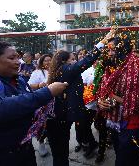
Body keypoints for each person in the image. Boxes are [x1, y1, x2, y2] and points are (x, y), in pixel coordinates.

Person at [0, 42, 68, 166]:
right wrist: (47, 92)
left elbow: (28, 104)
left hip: (24, 150)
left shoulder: (19, 80)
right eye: (11, 58)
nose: (18, 62)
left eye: (17, 57)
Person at [46, 28, 117, 166]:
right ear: (65, 61)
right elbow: (87, 60)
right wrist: (104, 40)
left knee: (61, 152)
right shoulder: (66, 69)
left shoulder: (59, 70)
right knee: (60, 153)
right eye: (72, 59)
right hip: (59, 118)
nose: (75, 62)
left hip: (60, 116)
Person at [97, 35, 139, 166]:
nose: (109, 53)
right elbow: (102, 90)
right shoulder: (111, 66)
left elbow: (138, 103)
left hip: (131, 123)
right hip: (114, 120)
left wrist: (111, 96)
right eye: (108, 50)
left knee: (124, 159)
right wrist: (101, 101)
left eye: (112, 50)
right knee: (129, 155)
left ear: (123, 49)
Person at [28, 54, 52, 157]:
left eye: (50, 60)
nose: (48, 62)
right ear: (41, 62)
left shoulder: (55, 71)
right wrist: (39, 85)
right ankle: (41, 143)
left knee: (51, 124)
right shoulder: (36, 72)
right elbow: (29, 85)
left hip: (54, 103)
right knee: (41, 125)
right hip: (42, 103)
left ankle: (48, 139)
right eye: (46, 61)